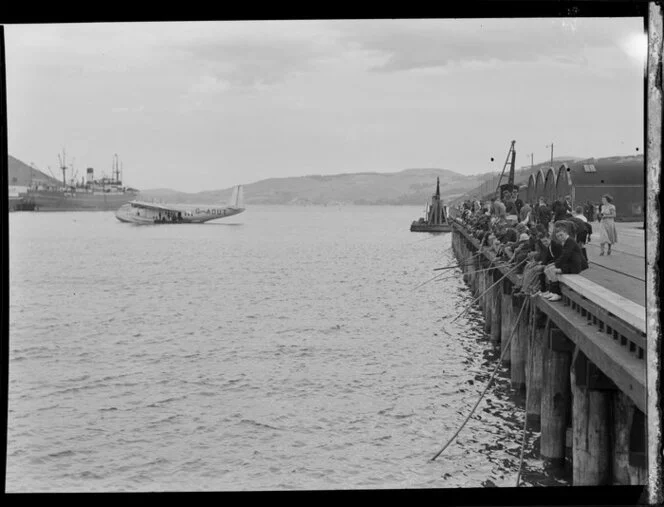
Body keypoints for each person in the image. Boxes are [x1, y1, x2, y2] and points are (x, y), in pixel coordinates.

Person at [541, 222, 586, 301]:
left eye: (561, 235)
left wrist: (555, 265)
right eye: (558, 236)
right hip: (569, 264)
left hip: (574, 267)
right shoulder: (565, 241)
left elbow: (565, 255)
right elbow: (563, 257)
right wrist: (553, 264)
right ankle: (551, 291)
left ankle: (557, 293)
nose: (560, 237)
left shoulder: (570, 241)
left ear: (565, 233)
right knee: (547, 270)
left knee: (552, 271)